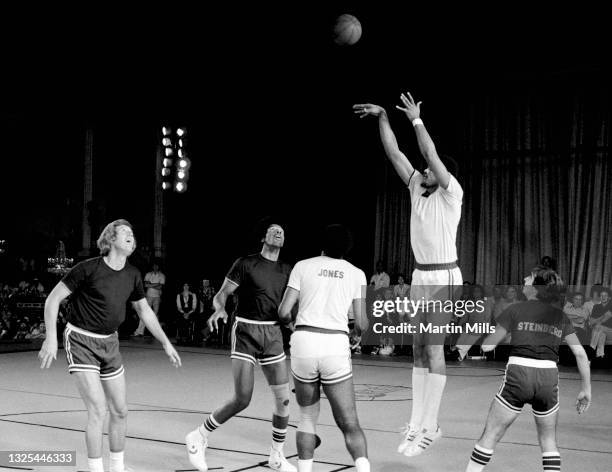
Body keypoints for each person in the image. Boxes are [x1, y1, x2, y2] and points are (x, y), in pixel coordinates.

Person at [354, 91, 463, 456]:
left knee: (433, 350)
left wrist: (416, 119)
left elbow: (430, 154)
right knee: (416, 350)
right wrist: (385, 116)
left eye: (431, 168)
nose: (425, 168)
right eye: (426, 169)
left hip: (445, 277)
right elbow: (395, 154)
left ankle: (432, 426)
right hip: (420, 277)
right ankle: (417, 423)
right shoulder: (418, 187)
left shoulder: (452, 193)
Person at [37, 219, 181, 472]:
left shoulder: (134, 274)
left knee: (120, 410)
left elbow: (144, 310)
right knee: (98, 409)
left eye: (132, 233)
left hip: (110, 342)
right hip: (81, 339)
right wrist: (50, 337)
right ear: (110, 239)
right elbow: (53, 300)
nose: (131, 236)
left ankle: (117, 467)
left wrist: (166, 342)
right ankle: (95, 469)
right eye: (125, 232)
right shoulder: (88, 268)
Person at [185, 222, 295, 472]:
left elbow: (290, 306)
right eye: (273, 229)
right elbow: (222, 294)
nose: (278, 232)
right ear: (263, 237)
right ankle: (199, 435)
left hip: (273, 332)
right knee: (243, 398)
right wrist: (220, 308)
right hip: (246, 330)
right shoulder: (246, 263)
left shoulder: (288, 270)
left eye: (282, 231)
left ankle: (276, 456)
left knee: (284, 401)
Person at [464, 268, 591, 472]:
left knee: (491, 434)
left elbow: (488, 345)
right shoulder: (560, 316)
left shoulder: (515, 310)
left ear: (536, 287)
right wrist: (586, 390)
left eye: (529, 277)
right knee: (548, 442)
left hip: (519, 375)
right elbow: (581, 355)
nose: (524, 279)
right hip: (548, 379)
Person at [278, 224, 370, 472]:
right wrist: (356, 334)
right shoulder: (356, 273)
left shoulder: (302, 266)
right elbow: (361, 322)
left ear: (322, 244)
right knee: (350, 423)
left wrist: (292, 327)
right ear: (347, 248)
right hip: (334, 345)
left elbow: (284, 312)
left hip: (304, 343)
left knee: (307, 418)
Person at [132, 262, 165, 336]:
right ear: (153, 266)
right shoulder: (148, 274)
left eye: (157, 265)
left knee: (155, 315)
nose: (155, 267)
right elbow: (146, 285)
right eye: (154, 265)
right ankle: (139, 331)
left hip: (157, 297)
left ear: (159, 267)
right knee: (145, 314)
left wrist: (151, 284)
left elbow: (160, 287)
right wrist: (157, 284)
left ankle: (156, 333)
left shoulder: (162, 275)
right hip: (148, 296)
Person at [589, 287, 612, 358]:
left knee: (598, 327)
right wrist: (603, 316)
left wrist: (597, 321)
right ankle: (600, 355)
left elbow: (607, 317)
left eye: (605, 295)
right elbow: (591, 322)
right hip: (599, 331)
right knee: (601, 335)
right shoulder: (596, 307)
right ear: (599, 297)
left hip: (610, 332)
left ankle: (591, 350)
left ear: (609, 297)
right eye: (602, 295)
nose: (603, 297)